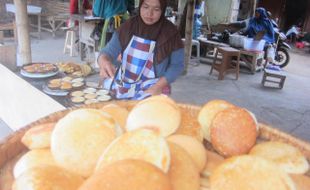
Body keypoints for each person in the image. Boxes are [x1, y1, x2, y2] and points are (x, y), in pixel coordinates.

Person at [97, 0, 184, 100]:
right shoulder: (128, 26)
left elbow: (177, 65)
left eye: (156, 9)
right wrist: (104, 62)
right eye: (146, 7)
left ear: (163, 9)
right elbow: (107, 52)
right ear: (140, 6)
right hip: (125, 83)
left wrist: (158, 86)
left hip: (154, 86)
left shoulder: (171, 33)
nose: (149, 13)